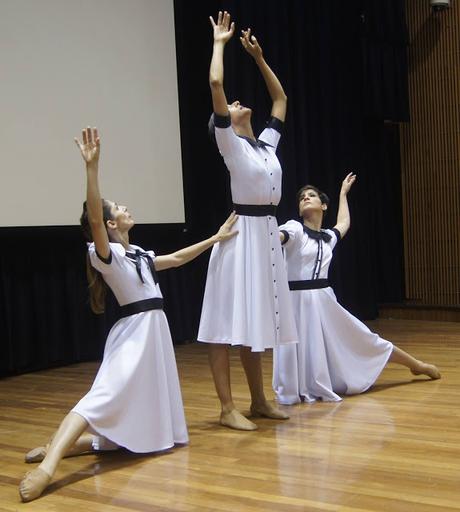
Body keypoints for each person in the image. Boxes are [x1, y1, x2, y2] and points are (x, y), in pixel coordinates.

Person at [18, 127, 238, 502]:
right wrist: (92, 170)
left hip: (154, 332)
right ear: (108, 225)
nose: (124, 208)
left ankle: (64, 443)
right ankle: (48, 467)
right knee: (99, 398)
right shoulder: (104, 254)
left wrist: (215, 238)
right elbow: (93, 214)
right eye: (116, 207)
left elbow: (178, 258)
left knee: (144, 429)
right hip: (134, 333)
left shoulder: (139, 254)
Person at [198, 11, 298, 431]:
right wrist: (219, 42)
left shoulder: (265, 146)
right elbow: (216, 84)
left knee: (257, 320)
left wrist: (259, 58)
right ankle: (226, 407)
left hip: (264, 237)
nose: (237, 103)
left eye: (238, 104)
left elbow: (281, 100)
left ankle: (259, 400)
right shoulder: (232, 146)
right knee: (223, 323)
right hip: (240, 236)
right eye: (233, 107)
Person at [273, 173, 441, 404]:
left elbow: (343, 223)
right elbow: (280, 236)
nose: (305, 198)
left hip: (324, 301)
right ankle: (308, 384)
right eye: (302, 197)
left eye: (311, 195)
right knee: (302, 350)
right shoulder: (294, 229)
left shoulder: (327, 237)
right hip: (297, 303)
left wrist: (343, 193)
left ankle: (416, 365)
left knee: (365, 339)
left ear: (323, 205)